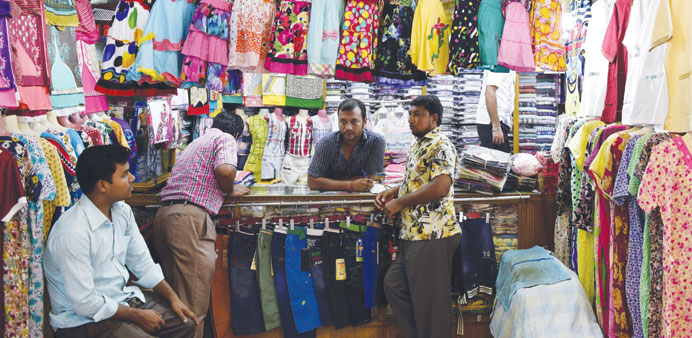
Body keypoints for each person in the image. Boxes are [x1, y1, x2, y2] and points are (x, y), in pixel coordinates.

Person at [44, 144, 198, 338]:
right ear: (102, 185)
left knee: (185, 324)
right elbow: (85, 303)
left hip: (120, 300)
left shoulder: (121, 212)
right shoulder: (72, 232)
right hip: (81, 322)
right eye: (125, 174)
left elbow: (142, 263)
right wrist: (137, 316)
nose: (132, 178)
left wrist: (173, 298)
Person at [153, 111, 250, 338]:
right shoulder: (224, 138)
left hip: (165, 216)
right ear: (236, 134)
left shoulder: (196, 143)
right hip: (190, 220)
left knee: (176, 305)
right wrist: (231, 189)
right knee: (194, 309)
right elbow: (225, 170)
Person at [376, 95, 461, 338]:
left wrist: (399, 203)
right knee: (394, 285)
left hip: (434, 233)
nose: (411, 120)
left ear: (434, 119)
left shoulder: (441, 145)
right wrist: (393, 192)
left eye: (418, 115)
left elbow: (440, 187)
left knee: (432, 305)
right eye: (411, 114)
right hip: (415, 233)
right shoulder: (419, 143)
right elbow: (416, 182)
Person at [307, 98, 386, 192]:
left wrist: (328, 182)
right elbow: (312, 182)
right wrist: (351, 185)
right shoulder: (326, 143)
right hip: (329, 202)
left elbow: (369, 180)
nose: (348, 127)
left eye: (354, 121)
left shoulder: (376, 141)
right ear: (338, 121)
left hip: (362, 202)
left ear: (364, 122)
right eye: (343, 122)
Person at [476, 69, 516, 153]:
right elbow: (490, 91)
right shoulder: (499, 65)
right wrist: (496, 127)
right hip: (491, 123)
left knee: (502, 161)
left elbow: (505, 93)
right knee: (499, 163)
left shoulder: (509, 66)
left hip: (498, 121)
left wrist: (508, 119)